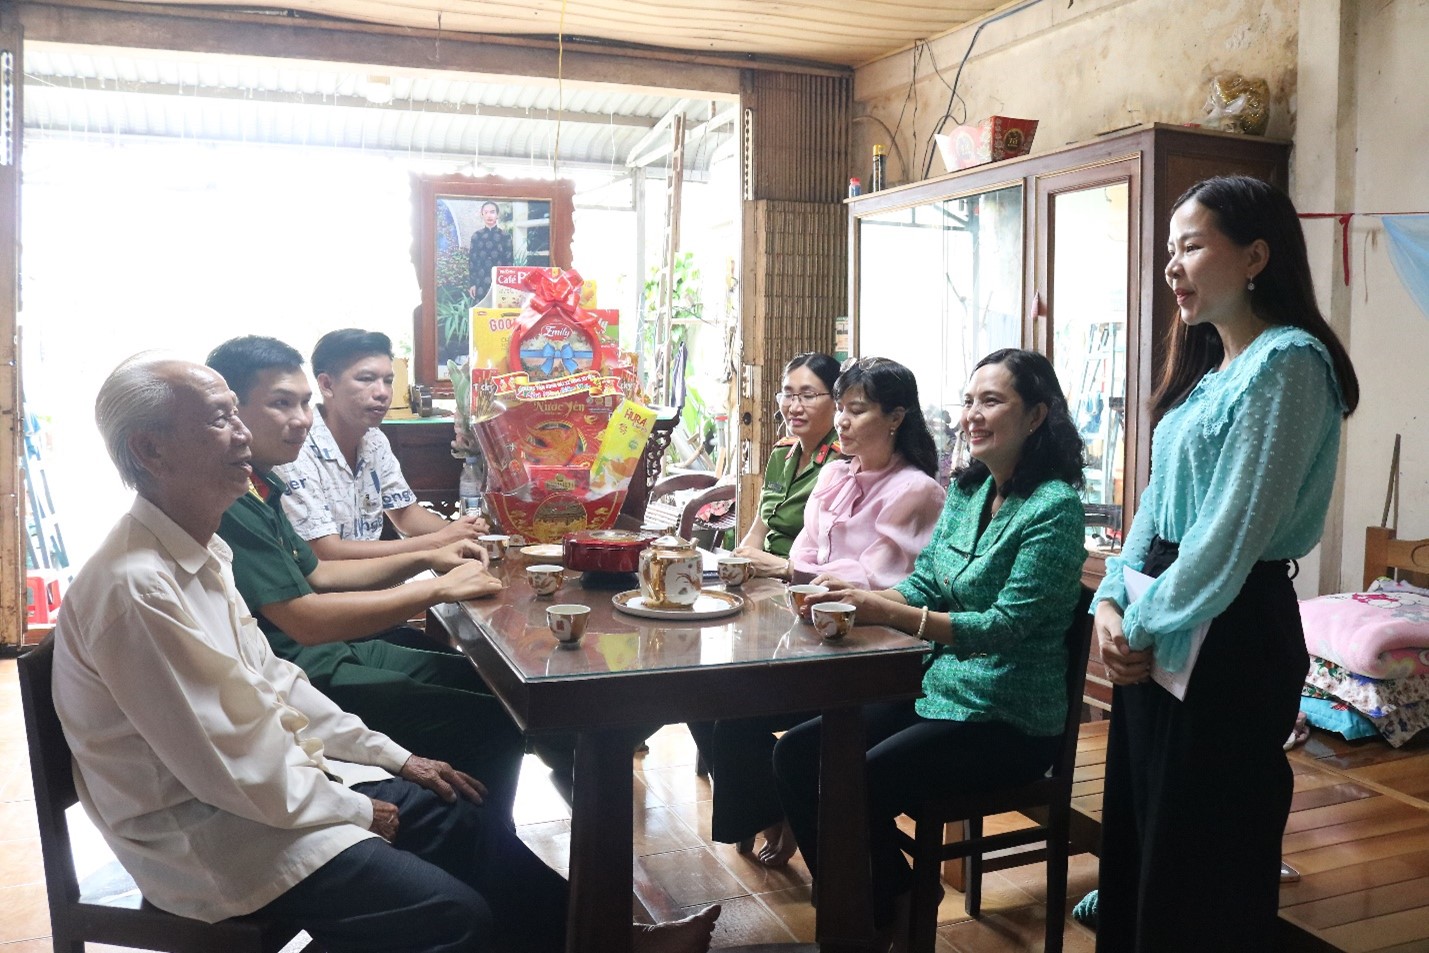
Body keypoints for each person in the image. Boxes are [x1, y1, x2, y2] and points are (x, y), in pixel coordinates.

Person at [53, 355, 721, 953]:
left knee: (458, 811)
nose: (242, 435)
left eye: (236, 413)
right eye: (221, 418)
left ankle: (604, 941)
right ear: (151, 449)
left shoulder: (201, 550)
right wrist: (352, 807)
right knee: (450, 916)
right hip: (212, 836)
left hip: (268, 793)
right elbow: (221, 766)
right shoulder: (136, 588)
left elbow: (275, 679)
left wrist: (395, 758)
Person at [1090, 175, 1359, 953]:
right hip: (1164, 615)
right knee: (1146, 832)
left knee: (1202, 858)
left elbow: (1229, 537)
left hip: (1228, 631)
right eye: (1169, 250)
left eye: (1190, 246)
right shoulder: (1208, 373)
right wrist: (1108, 603)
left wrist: (1137, 622)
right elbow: (1151, 512)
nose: (1171, 266)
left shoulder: (1289, 363)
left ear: (1254, 257)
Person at [771, 348, 1088, 939]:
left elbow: (1003, 627)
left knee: (859, 779)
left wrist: (890, 611)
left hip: (1008, 715)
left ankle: (872, 918)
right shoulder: (968, 491)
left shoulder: (1055, 508)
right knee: (797, 754)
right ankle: (887, 894)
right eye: (968, 401)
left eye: (991, 401)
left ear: (1036, 415)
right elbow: (925, 582)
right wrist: (856, 596)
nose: (972, 415)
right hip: (938, 689)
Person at [206, 336, 529, 821]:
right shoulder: (230, 497)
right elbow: (306, 619)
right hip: (301, 666)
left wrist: (432, 555)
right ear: (231, 414)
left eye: (303, 404)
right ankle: (476, 838)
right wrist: (436, 583)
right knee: (492, 720)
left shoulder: (262, 481)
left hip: (331, 647)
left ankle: (482, 830)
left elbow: (319, 572)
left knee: (491, 684)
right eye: (281, 404)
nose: (301, 419)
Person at [690, 357, 945, 868]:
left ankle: (837, 858)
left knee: (777, 737)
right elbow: (806, 553)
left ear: (896, 417)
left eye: (856, 410)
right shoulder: (834, 474)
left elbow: (877, 579)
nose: (843, 422)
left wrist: (804, 573)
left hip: (869, 655)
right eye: (842, 408)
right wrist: (804, 573)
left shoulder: (916, 489)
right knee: (711, 698)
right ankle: (777, 811)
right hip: (814, 637)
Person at [272, 329, 489, 561]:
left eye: (388, 381)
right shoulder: (297, 448)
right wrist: (440, 540)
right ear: (327, 385)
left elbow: (404, 513)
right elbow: (326, 552)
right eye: (366, 379)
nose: (383, 393)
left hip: (372, 576)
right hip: (330, 581)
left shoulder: (374, 439)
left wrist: (462, 532)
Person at [732, 352, 842, 579]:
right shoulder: (781, 453)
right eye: (788, 395)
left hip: (804, 580)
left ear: (836, 402)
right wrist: (737, 567)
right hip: (763, 576)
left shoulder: (841, 462)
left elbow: (836, 556)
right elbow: (758, 532)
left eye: (808, 396)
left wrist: (778, 568)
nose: (794, 407)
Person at [467, 200, 513, 304]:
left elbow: (509, 261)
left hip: (500, 281)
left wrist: (508, 284)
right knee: (481, 310)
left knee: (498, 309)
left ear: (497, 215)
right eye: (486, 212)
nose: (489, 215)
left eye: (492, 212)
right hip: (480, 281)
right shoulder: (476, 236)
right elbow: (472, 261)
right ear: (482, 215)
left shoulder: (505, 236)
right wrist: (472, 284)